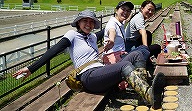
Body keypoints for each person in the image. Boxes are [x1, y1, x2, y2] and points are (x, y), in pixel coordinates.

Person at [12, 10, 166, 109]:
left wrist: (121, 20)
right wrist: (31, 69)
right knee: (124, 64)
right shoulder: (72, 36)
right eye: (85, 21)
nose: (88, 24)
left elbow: (111, 27)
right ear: (78, 22)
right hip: (88, 77)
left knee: (138, 53)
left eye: (91, 21)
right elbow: (54, 50)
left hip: (101, 71)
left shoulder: (92, 36)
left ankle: (143, 92)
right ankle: (149, 95)